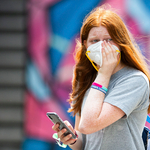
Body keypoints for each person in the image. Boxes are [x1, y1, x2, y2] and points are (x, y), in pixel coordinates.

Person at [52, 5, 150, 150]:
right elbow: (85, 141)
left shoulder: (135, 80)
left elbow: (88, 124)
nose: (101, 46)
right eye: (94, 41)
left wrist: (104, 73)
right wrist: (72, 139)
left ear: (120, 43)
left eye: (108, 40)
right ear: (85, 45)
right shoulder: (85, 79)